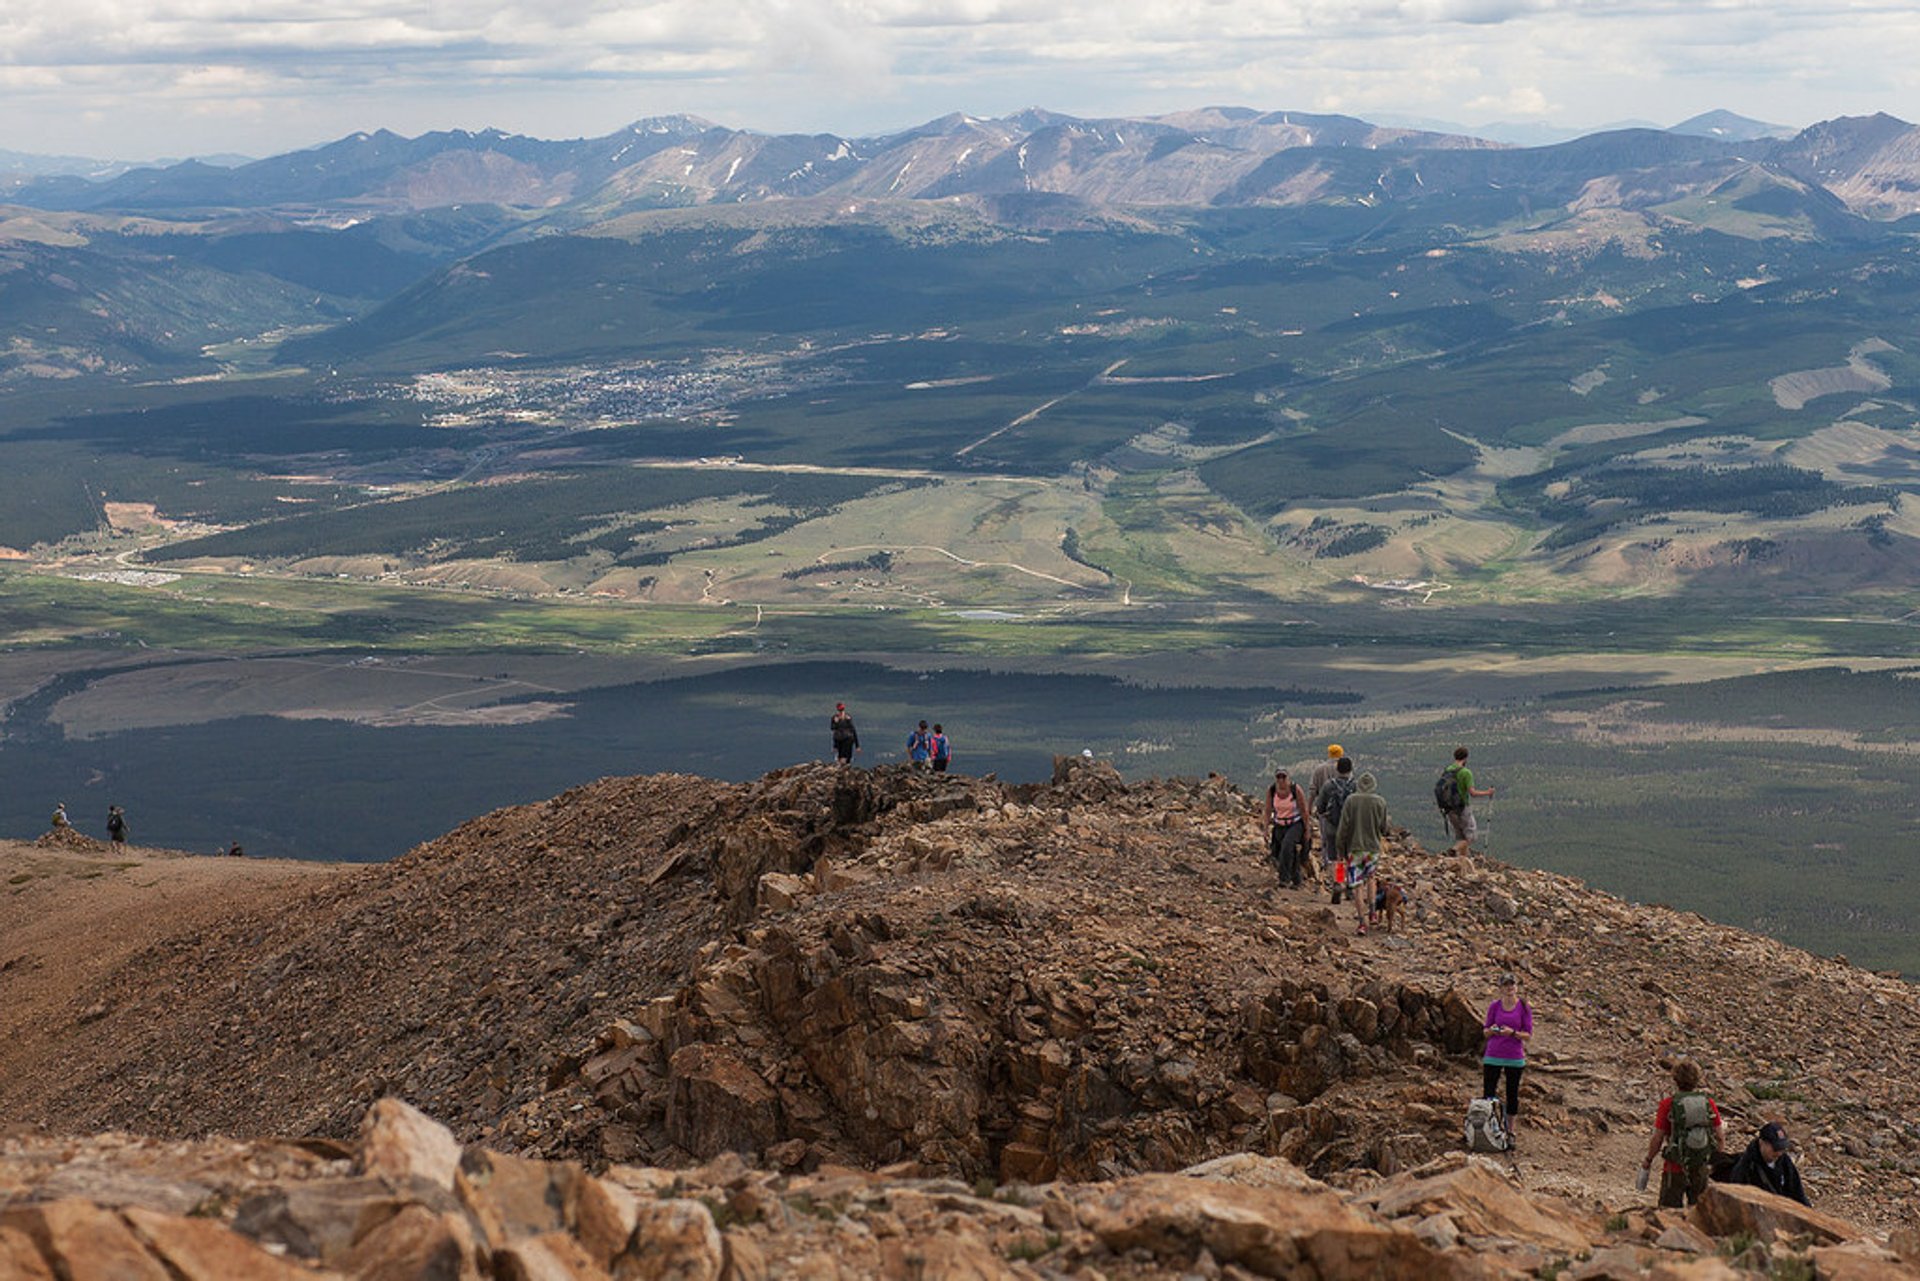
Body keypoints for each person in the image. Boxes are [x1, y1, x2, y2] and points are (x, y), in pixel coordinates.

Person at [1640, 1060, 1725, 1207]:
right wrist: (1715, 1161)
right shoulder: (1708, 1103)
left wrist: (1648, 1159)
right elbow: (1720, 1137)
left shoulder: (1668, 1104)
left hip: (1675, 1167)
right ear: (1697, 1080)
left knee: (1668, 1213)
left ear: (1675, 1080)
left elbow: (1658, 1138)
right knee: (1699, 1213)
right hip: (1700, 1166)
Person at [1482, 972, 1531, 1146]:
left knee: (1512, 1094)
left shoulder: (1523, 1007)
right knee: (1488, 1093)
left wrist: (1513, 1033)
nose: (1510, 988)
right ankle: (1487, 1128)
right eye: (1506, 985)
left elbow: (1528, 1035)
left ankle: (1510, 1131)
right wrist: (1493, 1030)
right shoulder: (1494, 1006)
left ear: (1516, 987)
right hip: (1493, 1055)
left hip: (1514, 1057)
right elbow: (1485, 1031)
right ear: (1501, 988)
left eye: (1512, 984)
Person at [1336, 770, 1388, 934]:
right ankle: (1372, 912)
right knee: (1371, 878)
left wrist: (1340, 850)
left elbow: (1343, 828)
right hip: (1372, 849)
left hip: (1354, 849)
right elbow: (1384, 828)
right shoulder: (1380, 802)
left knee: (1357, 886)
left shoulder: (1351, 801)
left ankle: (1361, 923)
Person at [1728, 1122, 1810, 1205]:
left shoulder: (1784, 1161)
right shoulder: (1747, 1166)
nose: (1779, 1153)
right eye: (1775, 1148)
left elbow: (1797, 1192)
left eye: (1781, 1149)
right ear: (1762, 1143)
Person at [1440, 746, 1494, 856]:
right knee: (1471, 836)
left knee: (1461, 837)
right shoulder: (1466, 773)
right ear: (1465, 758)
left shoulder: (1448, 770)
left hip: (1449, 809)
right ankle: (1454, 850)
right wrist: (1488, 793)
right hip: (1462, 807)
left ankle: (1463, 862)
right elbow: (1472, 793)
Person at [1316, 756, 1356, 901]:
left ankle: (1338, 882)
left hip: (1333, 827)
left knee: (1336, 858)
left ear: (1337, 769)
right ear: (1350, 769)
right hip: (1350, 830)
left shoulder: (1328, 786)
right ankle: (1351, 885)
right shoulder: (1355, 786)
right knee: (1350, 857)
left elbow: (1320, 807)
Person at [1265, 769, 1309, 890]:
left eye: (1283, 777)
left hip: (1295, 823)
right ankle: (1297, 880)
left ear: (1288, 777)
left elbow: (1304, 810)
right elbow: (1268, 809)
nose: (1281, 780)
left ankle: (1284, 878)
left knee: (1287, 846)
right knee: (1288, 852)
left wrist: (1307, 829)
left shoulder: (1295, 790)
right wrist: (1265, 827)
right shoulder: (1272, 790)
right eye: (1278, 777)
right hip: (1280, 824)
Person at [1307, 744, 1346, 859]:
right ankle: (1340, 868)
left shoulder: (1319, 769)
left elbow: (1313, 790)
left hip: (1323, 810)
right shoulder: (1343, 769)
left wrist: (1309, 807)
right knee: (1341, 840)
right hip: (1341, 810)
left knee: (1325, 839)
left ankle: (1327, 864)